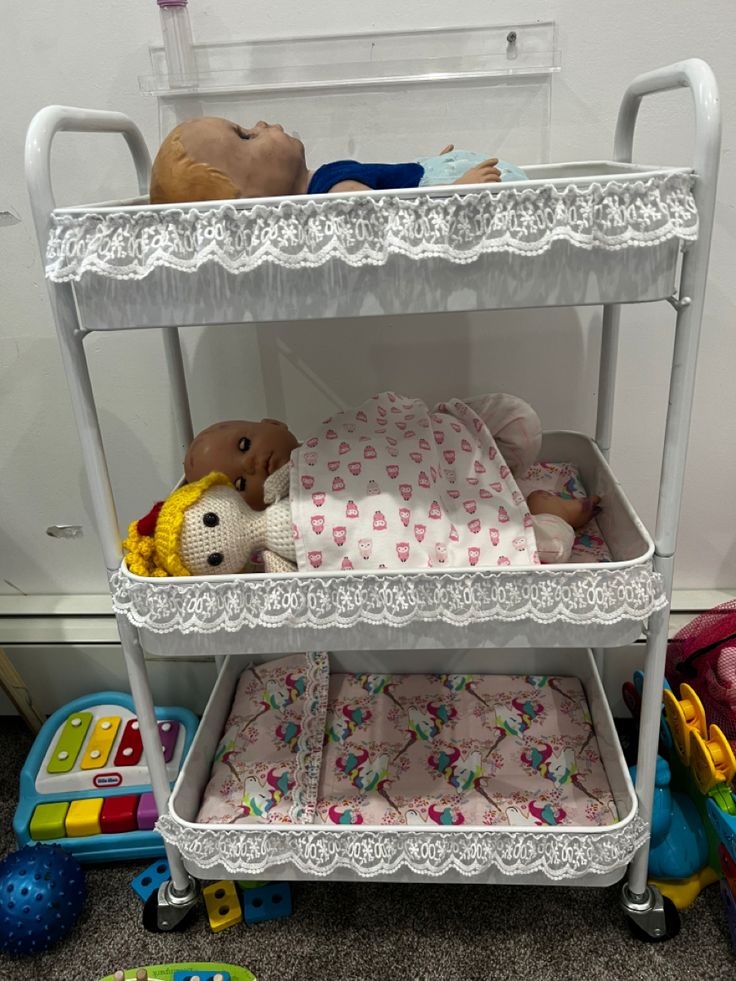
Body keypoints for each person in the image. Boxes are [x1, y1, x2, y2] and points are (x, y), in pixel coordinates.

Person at [182, 393, 600, 570]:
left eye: (243, 444)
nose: (254, 465)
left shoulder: (332, 438)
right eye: (239, 484)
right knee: (541, 548)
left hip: (445, 459)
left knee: (519, 420)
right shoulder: (294, 532)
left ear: (271, 422)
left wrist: (433, 429)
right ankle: (542, 511)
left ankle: (492, 475)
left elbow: (387, 437)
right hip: (444, 523)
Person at [149, 116, 527, 204]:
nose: (261, 124)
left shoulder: (327, 181)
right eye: (246, 136)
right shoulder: (335, 192)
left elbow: (382, 184)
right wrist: (453, 191)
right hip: (472, 189)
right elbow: (394, 220)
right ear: (249, 195)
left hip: (442, 174)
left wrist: (425, 165)